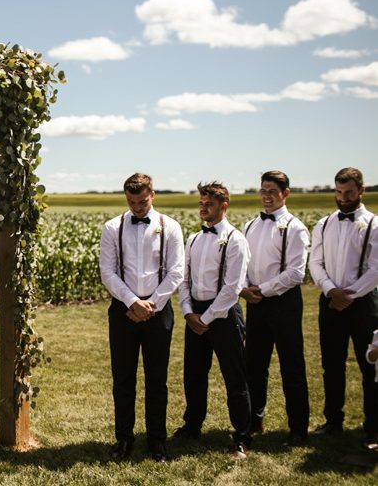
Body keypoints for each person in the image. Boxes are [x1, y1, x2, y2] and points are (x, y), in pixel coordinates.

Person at [98, 173, 184, 462]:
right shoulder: (112, 227)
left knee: (157, 379)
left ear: (153, 195)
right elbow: (107, 272)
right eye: (131, 202)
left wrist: (152, 304)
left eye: (142, 201)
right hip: (123, 311)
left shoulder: (170, 227)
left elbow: (176, 272)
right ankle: (124, 439)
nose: (137, 207)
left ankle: (157, 440)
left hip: (159, 313)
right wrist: (133, 301)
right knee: (123, 379)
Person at [175, 181, 253, 459]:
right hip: (195, 312)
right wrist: (187, 312)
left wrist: (205, 318)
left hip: (223, 314)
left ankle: (242, 435)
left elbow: (233, 288)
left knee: (234, 376)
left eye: (208, 204)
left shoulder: (236, 240)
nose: (203, 208)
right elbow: (184, 279)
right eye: (201, 203)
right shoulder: (194, 239)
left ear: (224, 205)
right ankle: (192, 425)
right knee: (194, 374)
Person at [239, 171, 310, 446]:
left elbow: (296, 272)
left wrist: (263, 289)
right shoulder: (250, 225)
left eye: (272, 190)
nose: (266, 196)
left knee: (292, 366)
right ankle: (254, 419)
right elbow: (242, 263)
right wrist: (245, 287)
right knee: (254, 365)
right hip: (255, 303)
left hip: (283, 303)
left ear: (285, 193)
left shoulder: (295, 227)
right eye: (263, 190)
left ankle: (298, 429)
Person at [309, 167, 378, 449]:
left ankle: (373, 427)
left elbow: (376, 268)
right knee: (332, 365)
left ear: (361, 190)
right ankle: (333, 420)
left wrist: (349, 294)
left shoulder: (374, 224)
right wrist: (331, 291)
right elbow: (315, 263)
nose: (343, 197)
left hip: (363, 304)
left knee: (369, 366)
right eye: (338, 192)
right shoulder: (324, 224)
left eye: (348, 192)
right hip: (331, 302)